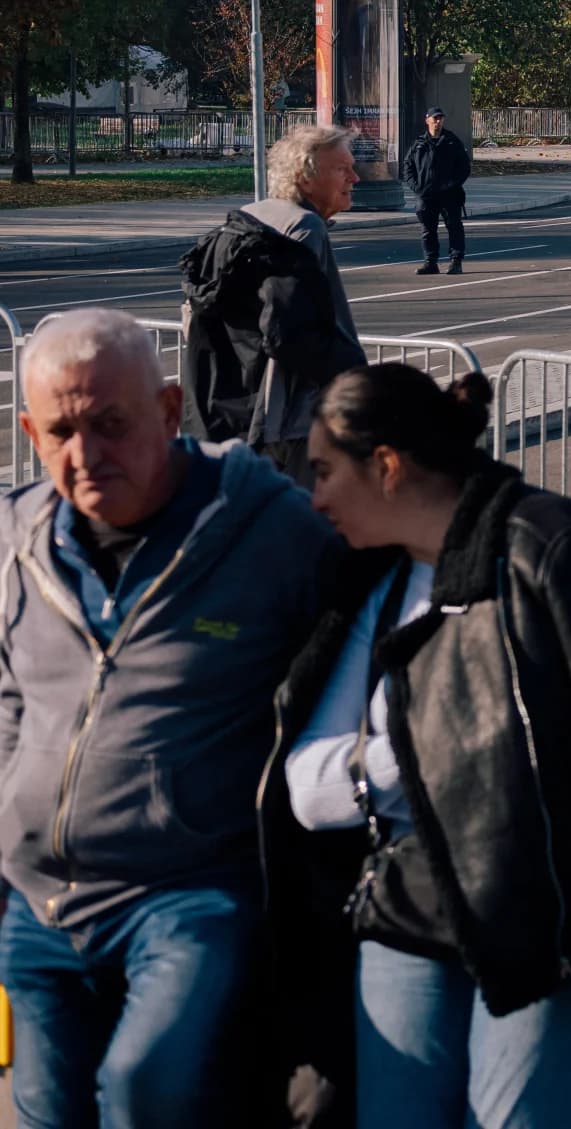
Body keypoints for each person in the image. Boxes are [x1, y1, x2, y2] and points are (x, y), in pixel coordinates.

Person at [263, 362, 571, 1128]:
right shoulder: (370, 583)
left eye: (325, 471)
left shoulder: (553, 552)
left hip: (562, 928)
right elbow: (308, 787)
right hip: (412, 907)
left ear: (387, 464)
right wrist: (417, 752)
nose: (315, 498)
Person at [2, 308, 334, 1126]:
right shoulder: (16, 537)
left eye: (111, 425)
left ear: (167, 408)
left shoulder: (269, 528)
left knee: (148, 1090)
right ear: (29, 430)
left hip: (187, 890)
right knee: (47, 1106)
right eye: (61, 431)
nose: (85, 455)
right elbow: (10, 699)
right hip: (38, 898)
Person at [178, 122, 367, 475]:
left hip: (240, 411)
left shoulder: (252, 217)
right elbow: (296, 333)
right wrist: (353, 380)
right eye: (343, 169)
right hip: (292, 420)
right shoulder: (304, 229)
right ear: (304, 178)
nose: (354, 178)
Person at [398, 104, 473, 275]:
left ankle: (456, 261)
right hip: (426, 195)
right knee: (427, 230)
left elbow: (464, 167)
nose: (438, 122)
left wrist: (452, 184)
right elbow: (407, 167)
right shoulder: (419, 143)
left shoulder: (452, 141)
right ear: (427, 121)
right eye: (435, 118)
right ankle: (430, 262)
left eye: (440, 118)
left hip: (449, 195)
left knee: (454, 227)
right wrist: (416, 187)